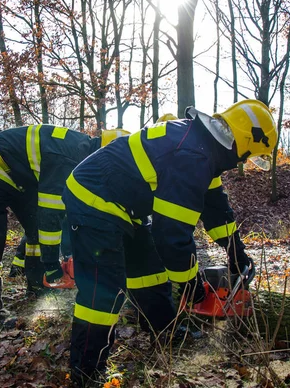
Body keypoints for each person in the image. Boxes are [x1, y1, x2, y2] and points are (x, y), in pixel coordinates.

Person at [62, 99, 277, 385]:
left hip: (125, 205)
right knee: (103, 292)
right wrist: (192, 286)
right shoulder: (193, 155)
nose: (242, 161)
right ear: (244, 141)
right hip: (94, 198)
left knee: (150, 271)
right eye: (248, 155)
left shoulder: (202, 148)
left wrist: (236, 252)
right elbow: (172, 235)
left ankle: (165, 330)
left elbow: (215, 209)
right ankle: (86, 373)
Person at [0, 124, 129, 325]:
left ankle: (36, 285)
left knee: (34, 230)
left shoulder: (82, 153)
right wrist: (52, 266)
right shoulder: (69, 160)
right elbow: (50, 216)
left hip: (20, 173)